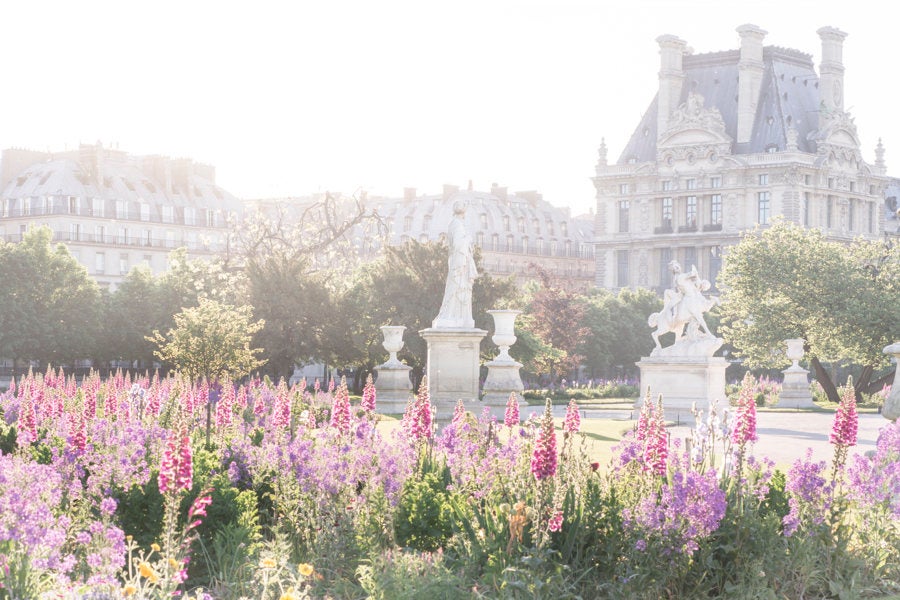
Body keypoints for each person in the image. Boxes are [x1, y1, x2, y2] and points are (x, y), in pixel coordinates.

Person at [433, 200, 479, 328]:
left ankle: (460, 316)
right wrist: (468, 239)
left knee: (461, 288)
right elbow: (458, 244)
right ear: (464, 212)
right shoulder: (456, 224)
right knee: (457, 287)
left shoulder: (456, 224)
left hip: (461, 261)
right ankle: (452, 316)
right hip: (459, 262)